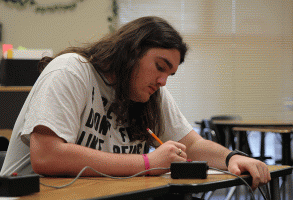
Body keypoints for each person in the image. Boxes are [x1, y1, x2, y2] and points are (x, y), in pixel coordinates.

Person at [0, 16, 270, 190]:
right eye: (160, 67)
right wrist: (148, 163)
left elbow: (192, 145)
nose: (163, 81)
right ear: (131, 52)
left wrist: (232, 157)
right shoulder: (71, 71)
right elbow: (47, 156)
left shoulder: (151, 93)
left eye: (169, 74)